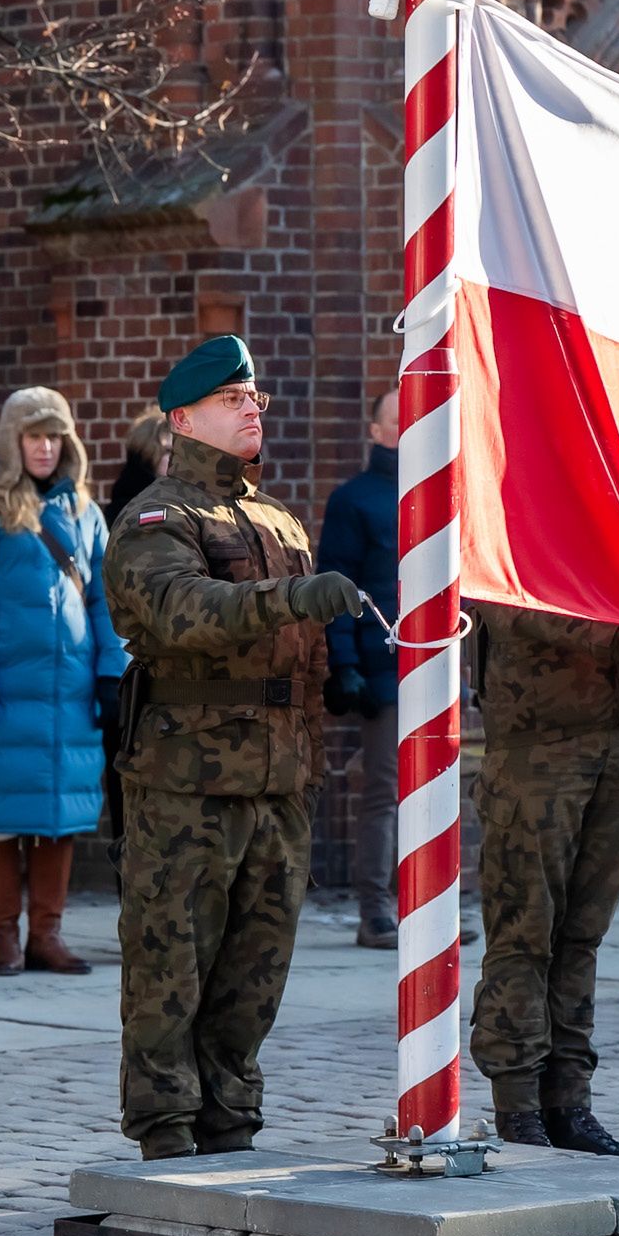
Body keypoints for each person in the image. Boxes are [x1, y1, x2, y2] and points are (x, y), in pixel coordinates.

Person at [104, 335, 362, 1160]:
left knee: (258, 968)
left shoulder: (278, 518)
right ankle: (169, 1128)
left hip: (279, 779)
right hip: (188, 780)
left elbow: (307, 656)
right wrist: (291, 596)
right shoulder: (157, 517)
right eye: (232, 399)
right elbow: (180, 610)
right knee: (170, 962)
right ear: (183, 418)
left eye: (255, 398)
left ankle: (231, 1119)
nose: (253, 408)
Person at [469, 601, 619, 1156]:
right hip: (540, 741)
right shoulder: (514, 514)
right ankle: (519, 1107)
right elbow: (507, 597)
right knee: (525, 934)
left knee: (581, 938)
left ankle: (569, 1102)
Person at [0, 388, 128, 976]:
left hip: (69, 696)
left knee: (60, 818)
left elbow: (108, 601)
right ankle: (5, 937)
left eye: (54, 436)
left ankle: (45, 936)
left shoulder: (86, 513)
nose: (45, 447)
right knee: (0, 820)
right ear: (13, 442)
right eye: (34, 436)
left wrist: (112, 674)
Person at [317, 389, 402, 949]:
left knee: (438, 789)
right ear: (375, 432)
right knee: (385, 792)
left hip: (436, 667)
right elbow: (339, 587)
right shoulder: (355, 501)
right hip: (381, 668)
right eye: (398, 419)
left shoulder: (445, 493)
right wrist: (346, 664)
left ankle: (428, 905)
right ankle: (376, 912)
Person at [103, 407, 172, 530]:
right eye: (168, 451)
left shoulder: (178, 496)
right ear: (148, 453)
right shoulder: (132, 506)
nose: (176, 457)